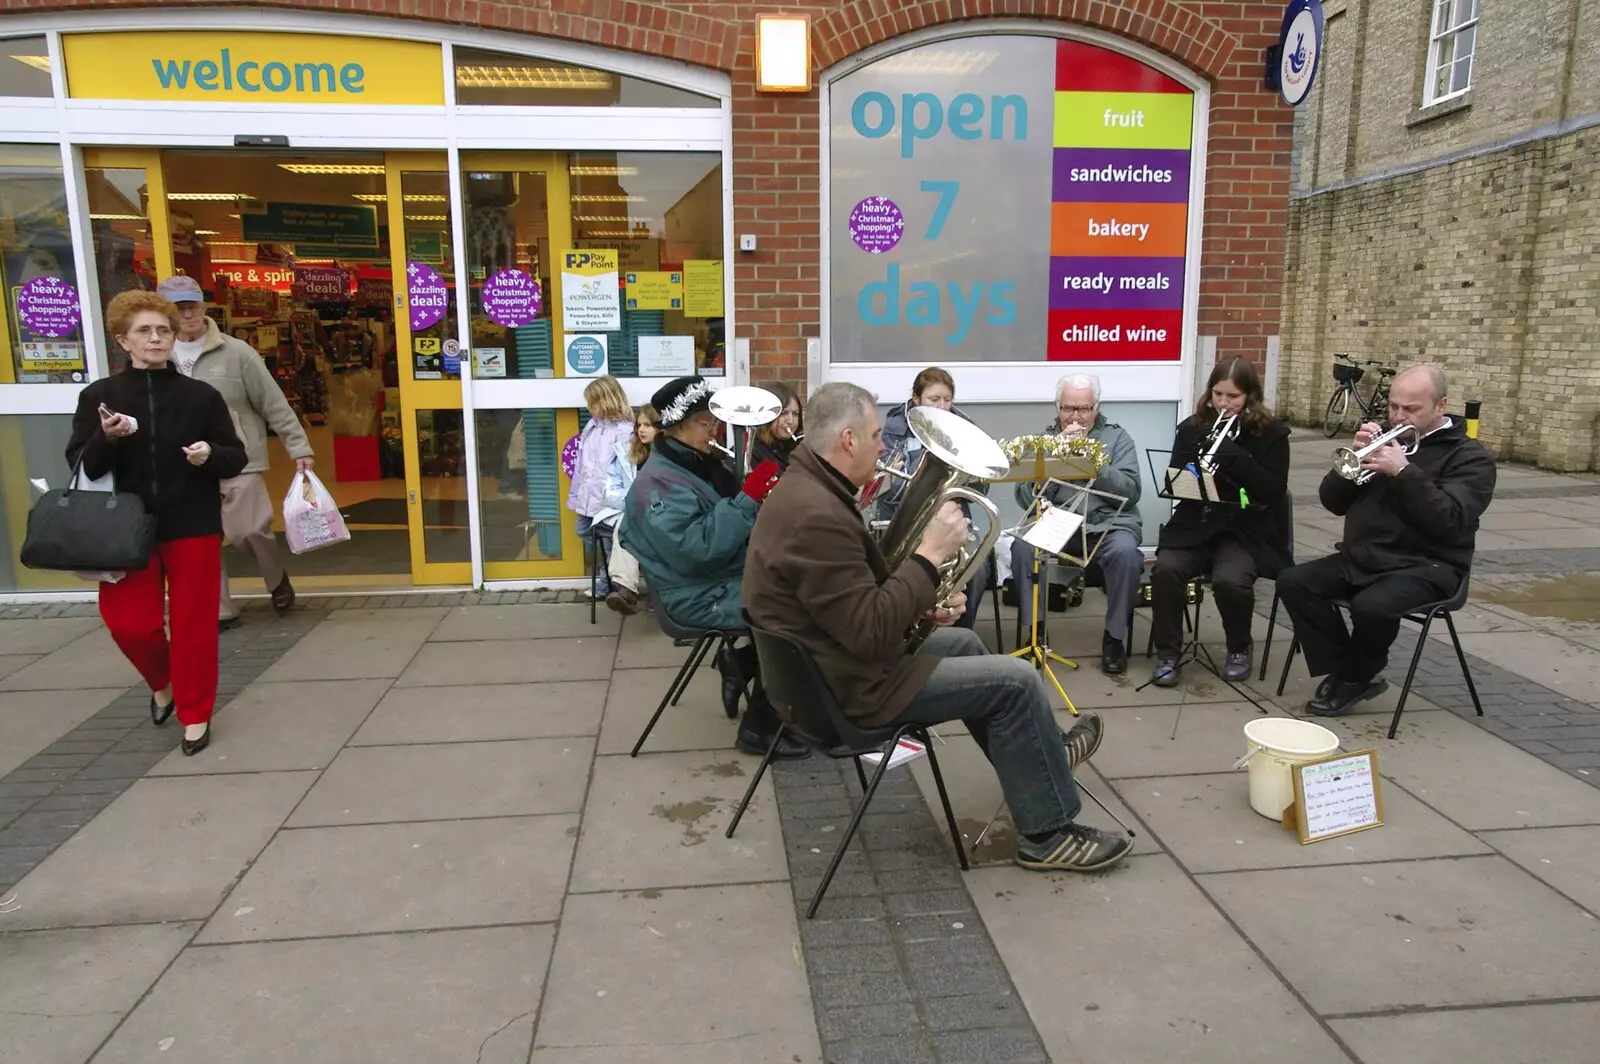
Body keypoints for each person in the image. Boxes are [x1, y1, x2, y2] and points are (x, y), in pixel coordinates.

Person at [744, 382, 1131, 871]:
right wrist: (928, 558)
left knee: (966, 641)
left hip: (830, 668)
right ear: (847, 441)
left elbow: (849, 604)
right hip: (846, 691)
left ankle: (1045, 756)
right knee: (1017, 680)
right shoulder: (814, 514)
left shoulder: (808, 487)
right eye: (874, 435)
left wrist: (921, 605)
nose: (883, 445)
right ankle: (1047, 834)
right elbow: (869, 631)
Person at [67, 291, 248, 756]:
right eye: (144, 331)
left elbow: (234, 455)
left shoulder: (200, 396)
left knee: (194, 625)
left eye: (163, 330)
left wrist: (209, 455)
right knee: (130, 624)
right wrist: (106, 440)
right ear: (122, 340)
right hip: (124, 526)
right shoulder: (100, 397)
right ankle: (162, 682)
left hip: (192, 521)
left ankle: (196, 713)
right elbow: (81, 464)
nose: (155, 338)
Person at [1276, 365, 1496, 716]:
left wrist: (1404, 472)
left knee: (1372, 605)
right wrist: (1355, 458)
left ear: (1441, 405)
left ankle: (1356, 674)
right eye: (1394, 406)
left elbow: (1451, 521)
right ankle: (1352, 671)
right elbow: (1333, 503)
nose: (1397, 416)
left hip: (1426, 566)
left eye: (1410, 410)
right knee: (1293, 581)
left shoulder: (1470, 458)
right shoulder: (1389, 439)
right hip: (1364, 557)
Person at [619, 376, 806, 759]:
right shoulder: (657, 485)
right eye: (707, 423)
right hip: (693, 595)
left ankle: (739, 663)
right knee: (796, 612)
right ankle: (760, 728)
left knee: (803, 591)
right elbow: (696, 550)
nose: (715, 430)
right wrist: (746, 501)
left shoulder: (696, 464)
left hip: (716, 579)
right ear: (676, 427)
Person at [157, 275, 313, 631]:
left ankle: (276, 579)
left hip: (237, 456)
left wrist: (298, 447)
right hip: (182, 465)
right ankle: (220, 609)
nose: (188, 314)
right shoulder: (156, 356)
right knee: (203, 539)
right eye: (179, 308)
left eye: (193, 305)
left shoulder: (237, 352)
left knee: (249, 530)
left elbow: (272, 402)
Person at [1149, 358, 1292, 685]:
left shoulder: (1270, 434)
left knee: (1230, 580)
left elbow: (1272, 491)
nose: (1223, 403)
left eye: (1233, 397)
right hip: (1197, 524)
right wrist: (1195, 474)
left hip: (1244, 530)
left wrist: (1233, 456)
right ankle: (1168, 653)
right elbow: (1180, 483)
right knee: (1166, 570)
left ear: (1250, 397)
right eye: (1218, 394)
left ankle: (1239, 648)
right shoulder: (1192, 428)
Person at [1012, 373, 1144, 674]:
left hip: (1106, 525)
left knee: (1126, 553)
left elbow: (1132, 490)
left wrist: (1092, 463)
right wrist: (1053, 464)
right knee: (1022, 549)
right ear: (1057, 407)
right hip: (1058, 524)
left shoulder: (1117, 438)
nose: (1075, 417)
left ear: (1096, 407)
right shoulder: (1045, 440)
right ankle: (1035, 634)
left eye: (1083, 409)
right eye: (1068, 408)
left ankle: (1114, 638)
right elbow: (1023, 497)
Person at [878, 367, 994, 632]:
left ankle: (958, 635)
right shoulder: (895, 427)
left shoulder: (964, 427)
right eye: (934, 399)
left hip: (950, 517)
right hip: (904, 521)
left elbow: (981, 490)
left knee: (975, 572)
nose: (942, 407)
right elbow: (892, 490)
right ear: (917, 399)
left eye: (947, 400)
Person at [567, 375, 636, 601]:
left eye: (592, 403)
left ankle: (612, 583)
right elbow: (581, 463)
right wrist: (576, 494)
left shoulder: (624, 430)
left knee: (609, 544)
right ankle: (616, 575)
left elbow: (627, 468)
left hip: (610, 500)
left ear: (606, 401)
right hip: (589, 496)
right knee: (584, 530)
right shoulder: (592, 427)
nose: (589, 408)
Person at [602, 404, 659, 615]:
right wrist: (634, 502)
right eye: (639, 425)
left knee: (641, 528)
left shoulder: (670, 456)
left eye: (648, 425)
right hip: (632, 512)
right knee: (627, 525)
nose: (641, 430)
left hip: (664, 512)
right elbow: (609, 491)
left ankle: (641, 590)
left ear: (660, 427)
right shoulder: (625, 454)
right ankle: (626, 591)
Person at [748, 381, 802, 471]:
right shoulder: (753, 453)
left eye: (795, 414)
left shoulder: (798, 447)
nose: (790, 421)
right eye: (783, 413)